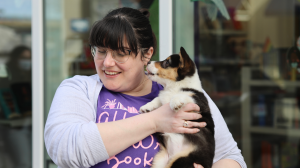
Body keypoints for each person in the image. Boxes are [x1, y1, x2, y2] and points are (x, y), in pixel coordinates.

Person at [44, 7, 247, 168]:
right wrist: (155, 121)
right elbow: (66, 150)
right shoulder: (78, 88)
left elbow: (229, 156)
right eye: (101, 51)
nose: (107, 63)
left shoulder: (183, 95)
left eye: (120, 54)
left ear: (147, 54)